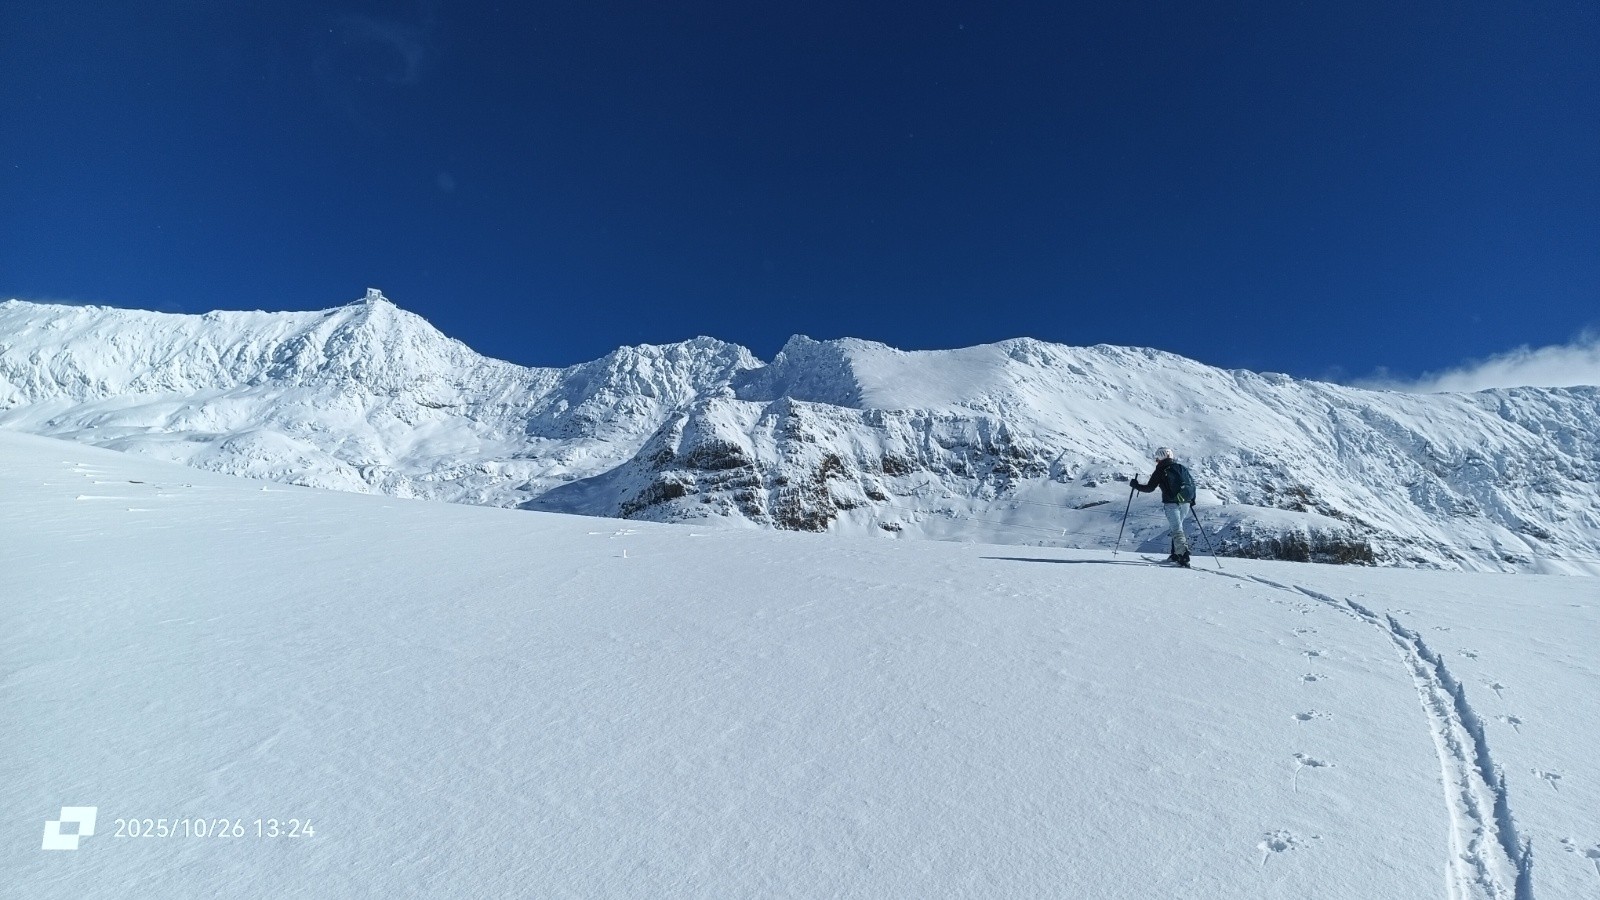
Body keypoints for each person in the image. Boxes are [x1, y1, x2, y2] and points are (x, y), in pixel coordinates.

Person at [1130, 447, 1192, 567]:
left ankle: (1184, 556)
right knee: (1178, 528)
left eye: (1157, 459)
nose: (1156, 461)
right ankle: (1175, 554)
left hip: (1171, 503)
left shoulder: (1160, 470)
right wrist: (1191, 500)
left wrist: (1135, 485)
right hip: (1186, 502)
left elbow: (1149, 488)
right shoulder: (1181, 468)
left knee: (1176, 529)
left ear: (1161, 457)